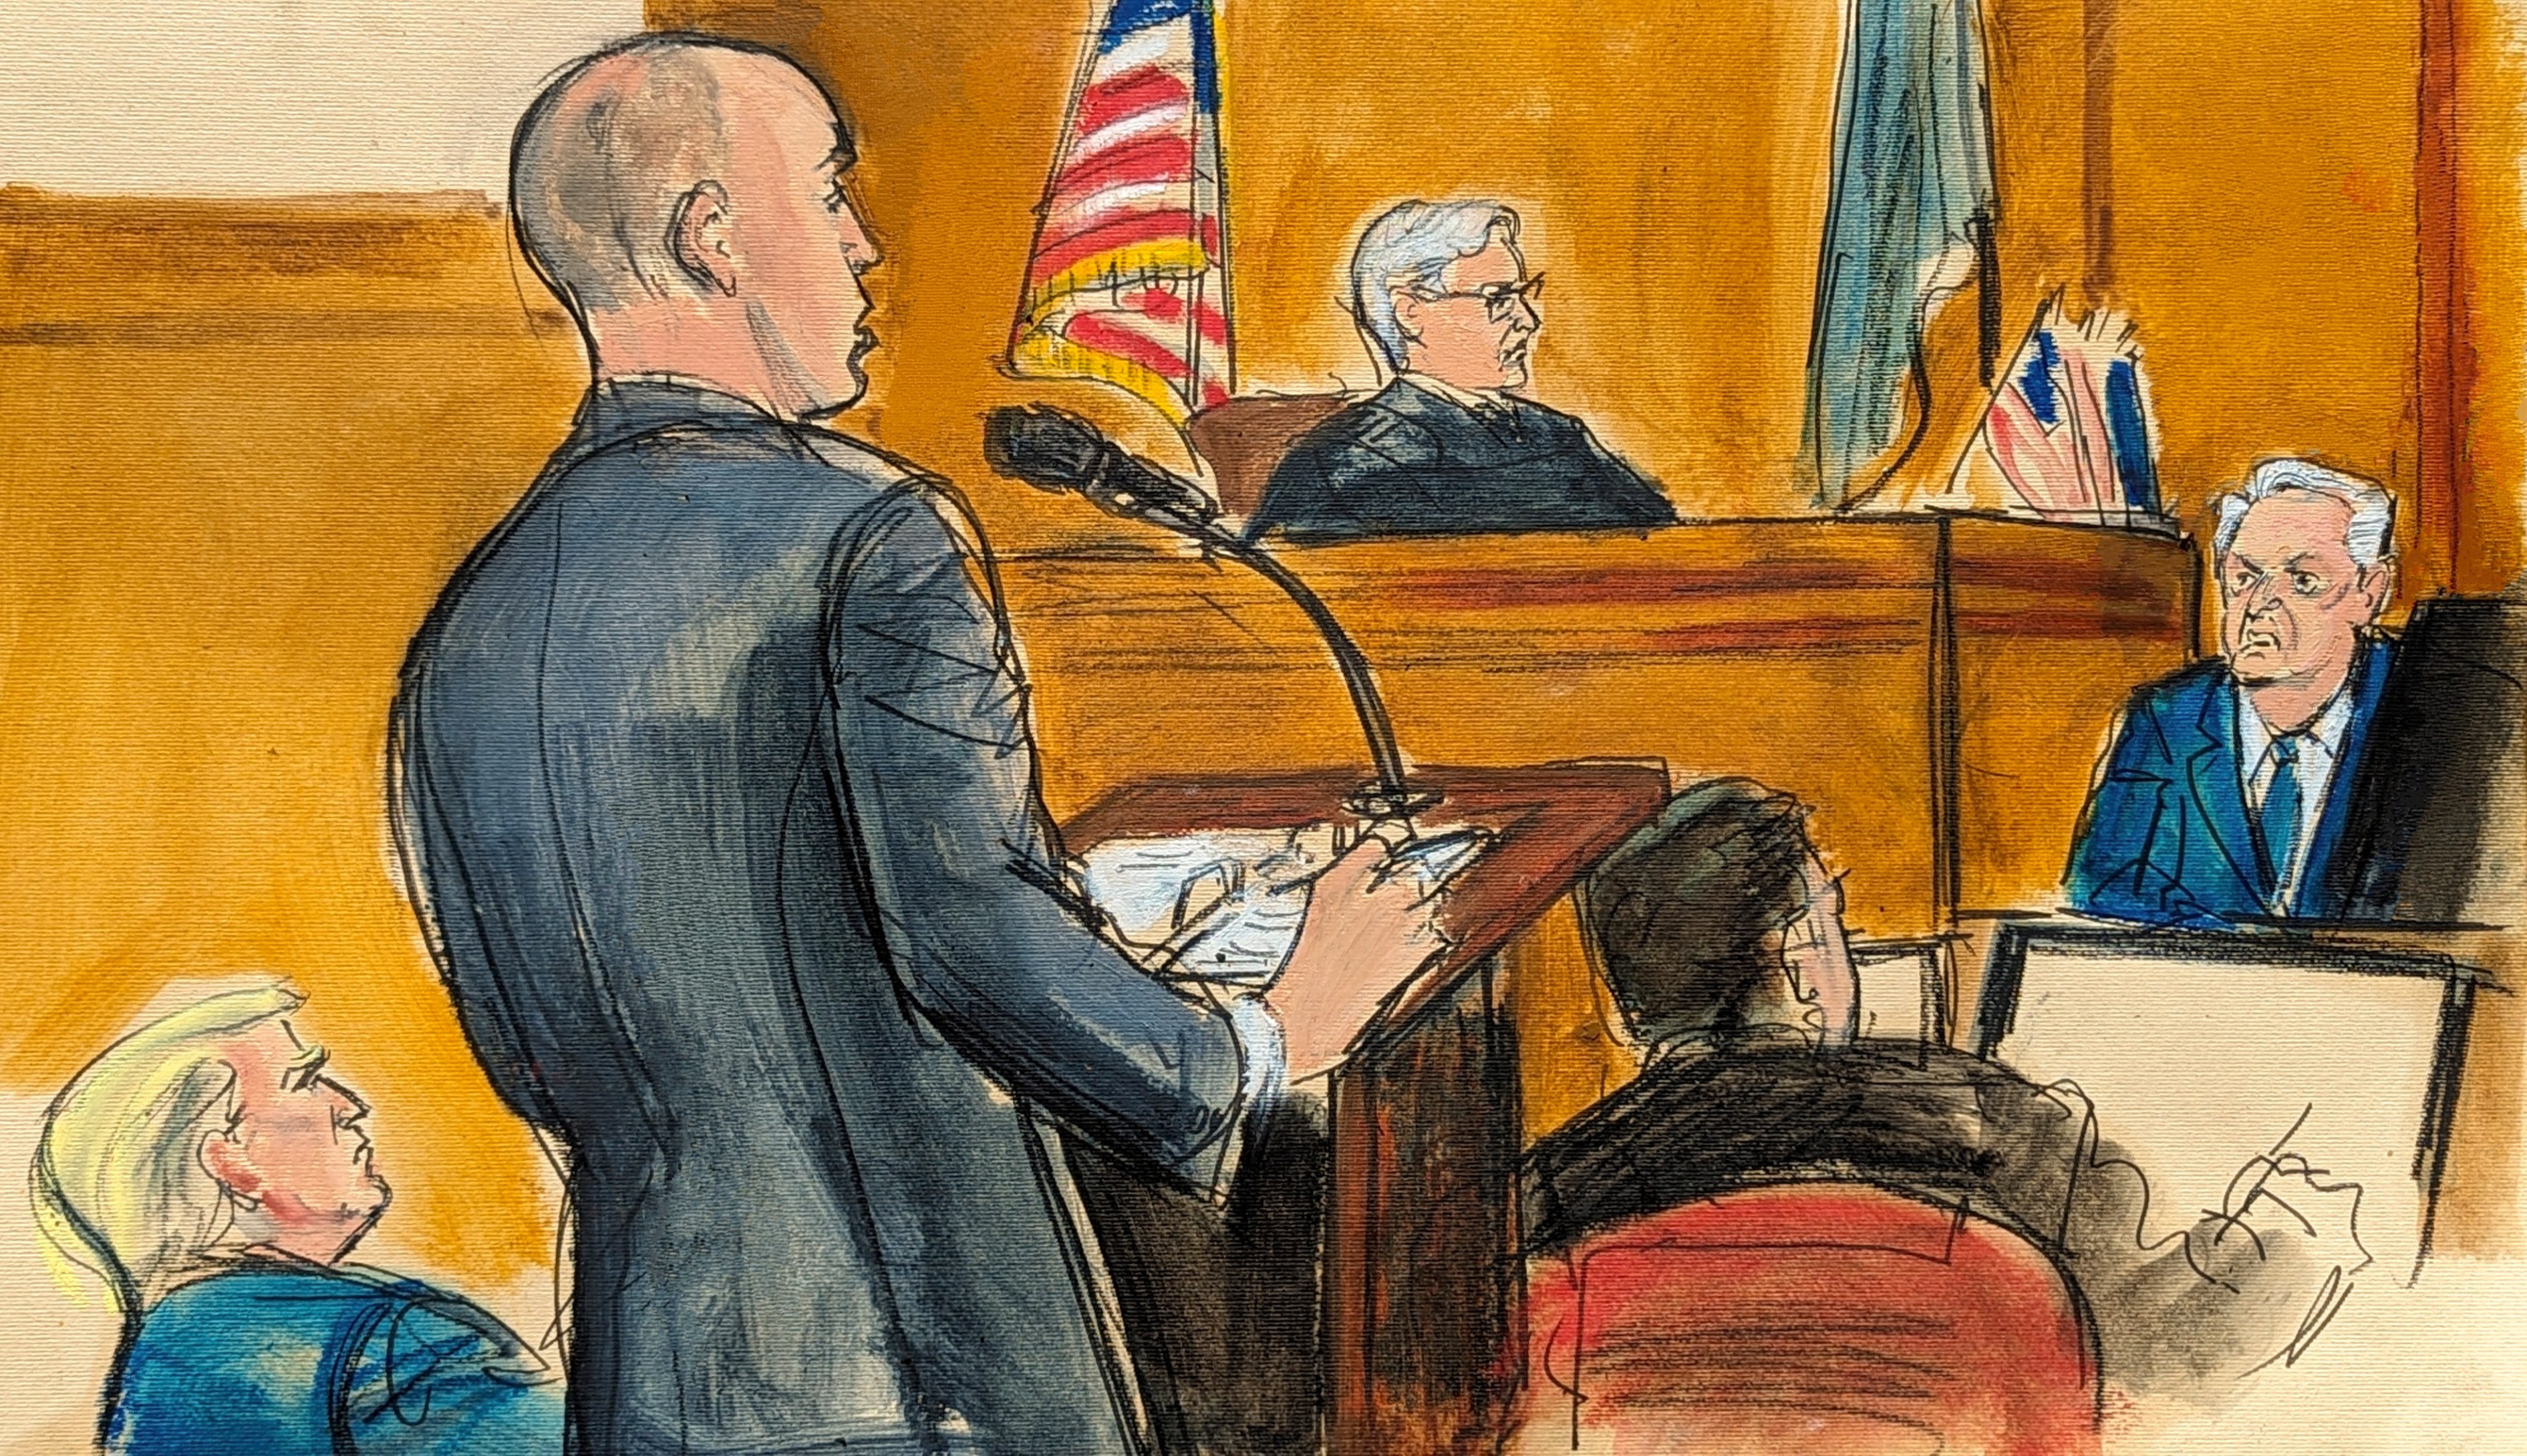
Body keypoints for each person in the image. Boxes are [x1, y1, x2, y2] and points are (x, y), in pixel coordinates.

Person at [390, 34, 1449, 1456]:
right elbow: (967, 936)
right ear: (714, 239)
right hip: (921, 1376)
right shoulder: (866, 532)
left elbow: (539, 1038)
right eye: (828, 193)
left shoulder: (472, 622)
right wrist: (1264, 1040)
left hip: (654, 1391)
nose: (865, 244)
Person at [28, 983, 561, 1456]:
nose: (349, 1103)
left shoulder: (166, 1353)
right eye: (306, 1080)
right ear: (231, 1162)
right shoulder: (389, 1342)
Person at [2066, 458, 2401, 925]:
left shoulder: (2423, 706)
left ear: (2370, 591)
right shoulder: (2166, 720)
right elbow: (2102, 893)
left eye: (2303, 581)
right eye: (2245, 577)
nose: (2258, 605)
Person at [1242, 198, 1676, 542]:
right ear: (1411, 312)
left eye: (1523, 295)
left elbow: (1663, 545)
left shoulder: (1560, 435)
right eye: (1497, 298)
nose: (1528, 319)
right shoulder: (1344, 461)